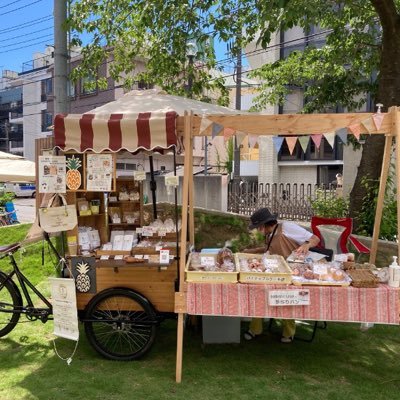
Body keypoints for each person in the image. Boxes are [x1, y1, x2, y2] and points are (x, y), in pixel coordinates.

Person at [243, 207, 320, 343]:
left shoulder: (287, 227)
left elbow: (315, 239)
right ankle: (255, 329)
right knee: (259, 294)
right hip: (274, 270)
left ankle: (288, 332)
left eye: (258, 226)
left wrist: (306, 246)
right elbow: (268, 249)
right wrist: (250, 251)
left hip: (292, 271)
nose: (257, 230)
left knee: (286, 299)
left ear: (264, 224)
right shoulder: (269, 234)